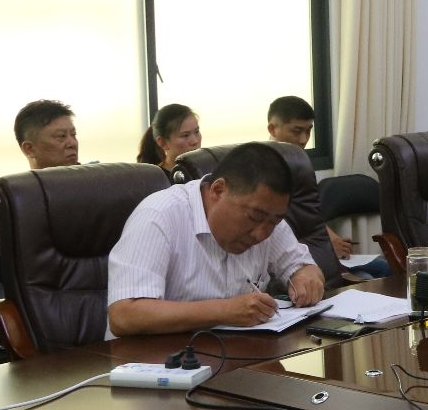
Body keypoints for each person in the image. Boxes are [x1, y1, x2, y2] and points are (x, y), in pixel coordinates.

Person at [106, 142, 324, 337]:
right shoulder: (158, 216)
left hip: (234, 354)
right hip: (151, 361)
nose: (261, 234)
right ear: (218, 190)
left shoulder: (267, 218)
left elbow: (303, 266)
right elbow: (124, 314)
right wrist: (224, 310)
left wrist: (307, 278)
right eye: (254, 217)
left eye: (274, 221)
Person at [264, 94, 390, 277]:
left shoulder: (299, 164)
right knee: (369, 277)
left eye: (308, 131)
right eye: (296, 131)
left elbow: (310, 216)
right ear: (272, 129)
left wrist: (333, 240)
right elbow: (276, 231)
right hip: (291, 256)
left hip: (315, 248)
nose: (304, 139)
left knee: (387, 267)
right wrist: (326, 246)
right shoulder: (263, 171)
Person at [13, 99, 79, 169]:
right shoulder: (16, 178)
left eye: (73, 134)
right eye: (61, 136)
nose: (73, 143)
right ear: (29, 149)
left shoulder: (87, 174)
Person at [136, 103, 201, 173]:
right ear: (163, 143)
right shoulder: (155, 177)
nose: (195, 141)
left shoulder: (206, 169)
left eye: (197, 131)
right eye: (185, 135)